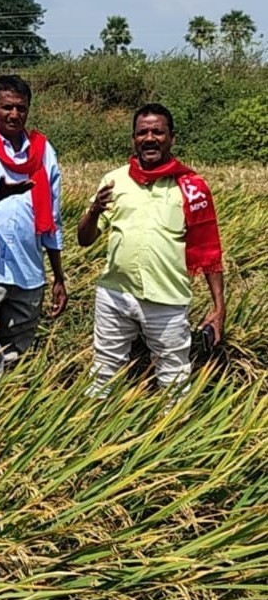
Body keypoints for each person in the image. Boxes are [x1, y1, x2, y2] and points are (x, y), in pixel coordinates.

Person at [77, 104, 226, 398]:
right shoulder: (114, 180)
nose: (149, 138)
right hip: (115, 295)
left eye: (158, 132)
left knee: (174, 379)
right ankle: (95, 434)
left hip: (167, 301)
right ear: (133, 139)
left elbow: (209, 251)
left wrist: (219, 307)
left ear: (172, 137)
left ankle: (173, 435)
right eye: (142, 132)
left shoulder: (192, 187)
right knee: (103, 374)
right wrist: (93, 212)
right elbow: (84, 239)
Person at [0, 74, 66, 361]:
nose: (14, 114)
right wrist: (2, 194)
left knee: (17, 353)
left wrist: (58, 277)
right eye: (6, 107)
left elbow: (53, 219)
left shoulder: (43, 151)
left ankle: (8, 401)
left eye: (21, 107)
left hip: (28, 271)